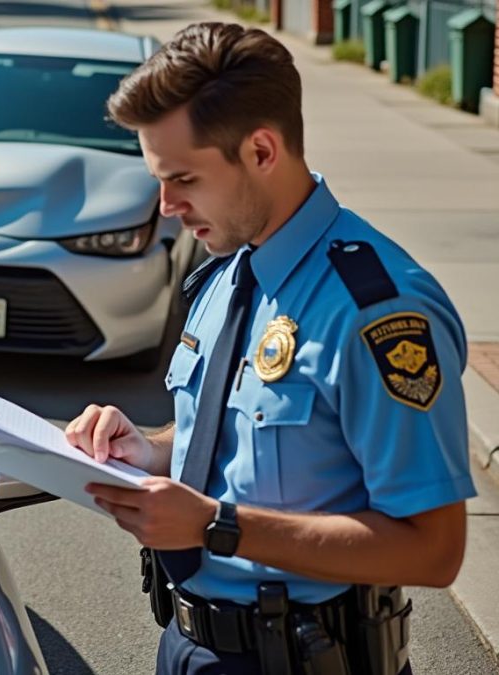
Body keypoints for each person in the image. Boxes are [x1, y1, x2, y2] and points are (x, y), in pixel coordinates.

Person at [65, 22, 474, 674]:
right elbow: (229, 431)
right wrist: (147, 447)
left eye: (184, 179)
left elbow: (433, 550)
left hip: (302, 656)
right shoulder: (229, 267)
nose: (166, 205)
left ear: (260, 151)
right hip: (189, 642)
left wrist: (215, 526)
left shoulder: (376, 310)